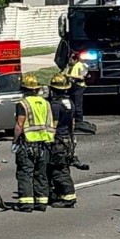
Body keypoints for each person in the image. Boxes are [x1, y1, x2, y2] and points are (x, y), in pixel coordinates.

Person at [11, 73, 55, 213]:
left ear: (24, 89)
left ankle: (26, 203)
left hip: (27, 144)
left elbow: (19, 124)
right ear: (36, 89)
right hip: (44, 143)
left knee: (25, 173)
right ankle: (41, 202)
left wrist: (15, 140)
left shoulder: (22, 104)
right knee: (41, 174)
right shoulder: (46, 103)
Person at [46, 73, 78, 208]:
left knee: (59, 170)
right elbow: (73, 123)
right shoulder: (69, 103)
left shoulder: (55, 106)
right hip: (68, 140)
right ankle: (60, 194)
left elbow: (53, 125)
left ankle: (68, 197)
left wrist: (48, 140)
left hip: (58, 141)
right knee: (62, 167)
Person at [65, 51, 93, 133]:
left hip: (79, 87)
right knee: (73, 104)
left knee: (78, 105)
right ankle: (73, 121)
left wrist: (69, 76)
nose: (70, 61)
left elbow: (81, 77)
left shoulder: (81, 66)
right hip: (73, 86)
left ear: (75, 59)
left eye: (71, 59)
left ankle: (79, 122)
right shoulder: (71, 66)